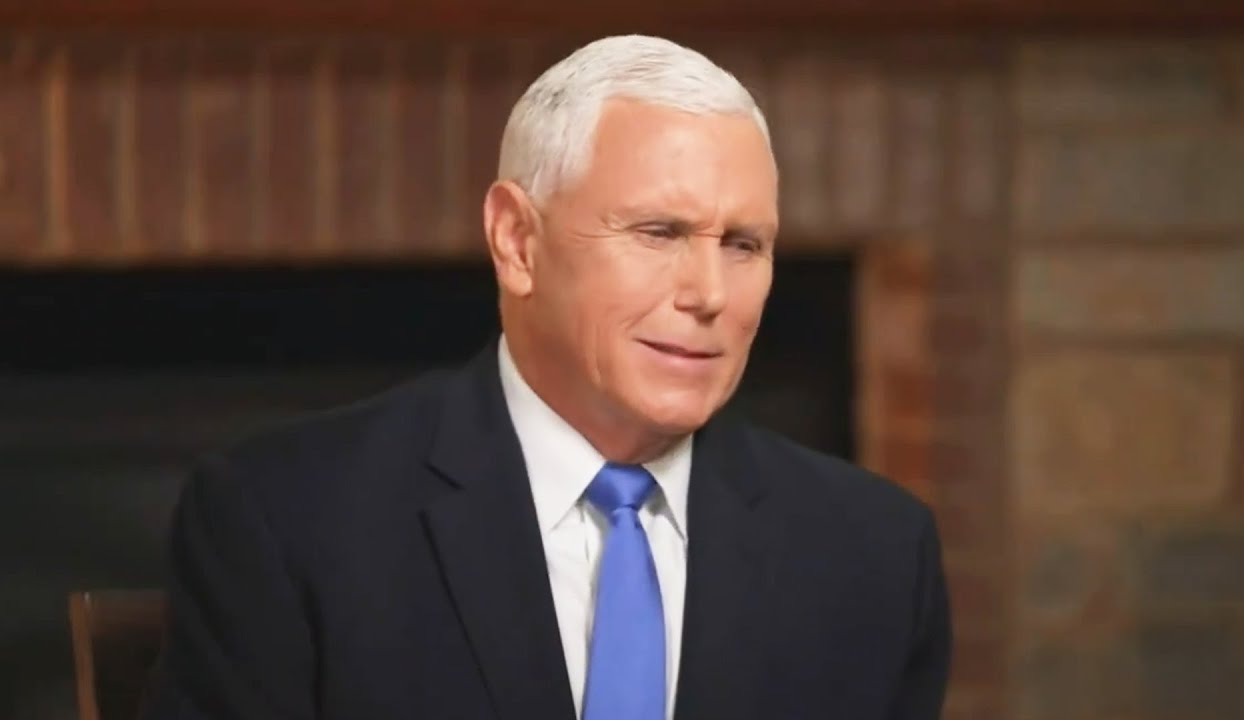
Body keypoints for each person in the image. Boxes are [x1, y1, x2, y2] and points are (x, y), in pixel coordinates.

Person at [141, 34, 950, 720]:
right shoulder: (286, 520)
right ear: (517, 242)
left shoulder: (875, 553)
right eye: (658, 232)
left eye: (743, 244)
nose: (709, 293)